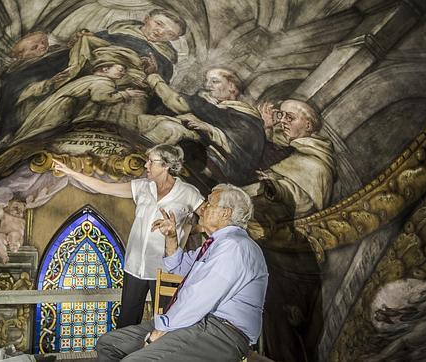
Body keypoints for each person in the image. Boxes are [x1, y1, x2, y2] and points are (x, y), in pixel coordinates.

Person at [96, 184, 268, 361]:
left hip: (221, 333)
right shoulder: (216, 245)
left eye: (209, 204)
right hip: (195, 322)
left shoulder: (235, 247)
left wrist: (158, 332)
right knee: (109, 343)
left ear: (226, 213)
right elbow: (177, 266)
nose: (203, 209)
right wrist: (171, 236)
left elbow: (199, 297)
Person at [52, 144, 204, 328]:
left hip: (166, 270)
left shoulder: (188, 192)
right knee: (126, 323)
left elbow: (209, 220)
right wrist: (71, 172)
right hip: (135, 267)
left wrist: (186, 230)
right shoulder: (141, 187)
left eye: (151, 162)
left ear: (165, 165)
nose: (146, 165)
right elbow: (104, 187)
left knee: (166, 324)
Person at [0, 9, 187, 137]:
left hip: (133, 91)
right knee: (60, 107)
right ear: (147, 18)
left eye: (170, 34)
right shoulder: (112, 32)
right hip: (94, 76)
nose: (160, 32)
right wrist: (80, 43)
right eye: (159, 24)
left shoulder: (164, 58)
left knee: (120, 126)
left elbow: (157, 90)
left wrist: (149, 74)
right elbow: (84, 51)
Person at [145, 67, 267, 185]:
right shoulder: (211, 103)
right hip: (199, 145)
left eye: (215, 81)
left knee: (170, 129)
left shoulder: (247, 116)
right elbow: (179, 103)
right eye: (207, 81)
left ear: (231, 87)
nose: (207, 86)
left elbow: (243, 144)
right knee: (151, 121)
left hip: (220, 161)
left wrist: (209, 129)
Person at [12, 53, 146, 144]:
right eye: (120, 69)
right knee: (44, 131)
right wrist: (126, 94)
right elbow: (101, 98)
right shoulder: (103, 81)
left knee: (36, 129)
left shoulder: (88, 78)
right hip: (60, 109)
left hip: (52, 104)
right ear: (105, 69)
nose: (122, 74)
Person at [243, 99, 336, 220]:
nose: (282, 121)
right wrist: (265, 126)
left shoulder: (317, 166)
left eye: (290, 117)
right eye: (282, 115)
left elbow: (305, 204)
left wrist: (276, 187)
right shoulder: (281, 142)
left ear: (308, 125)